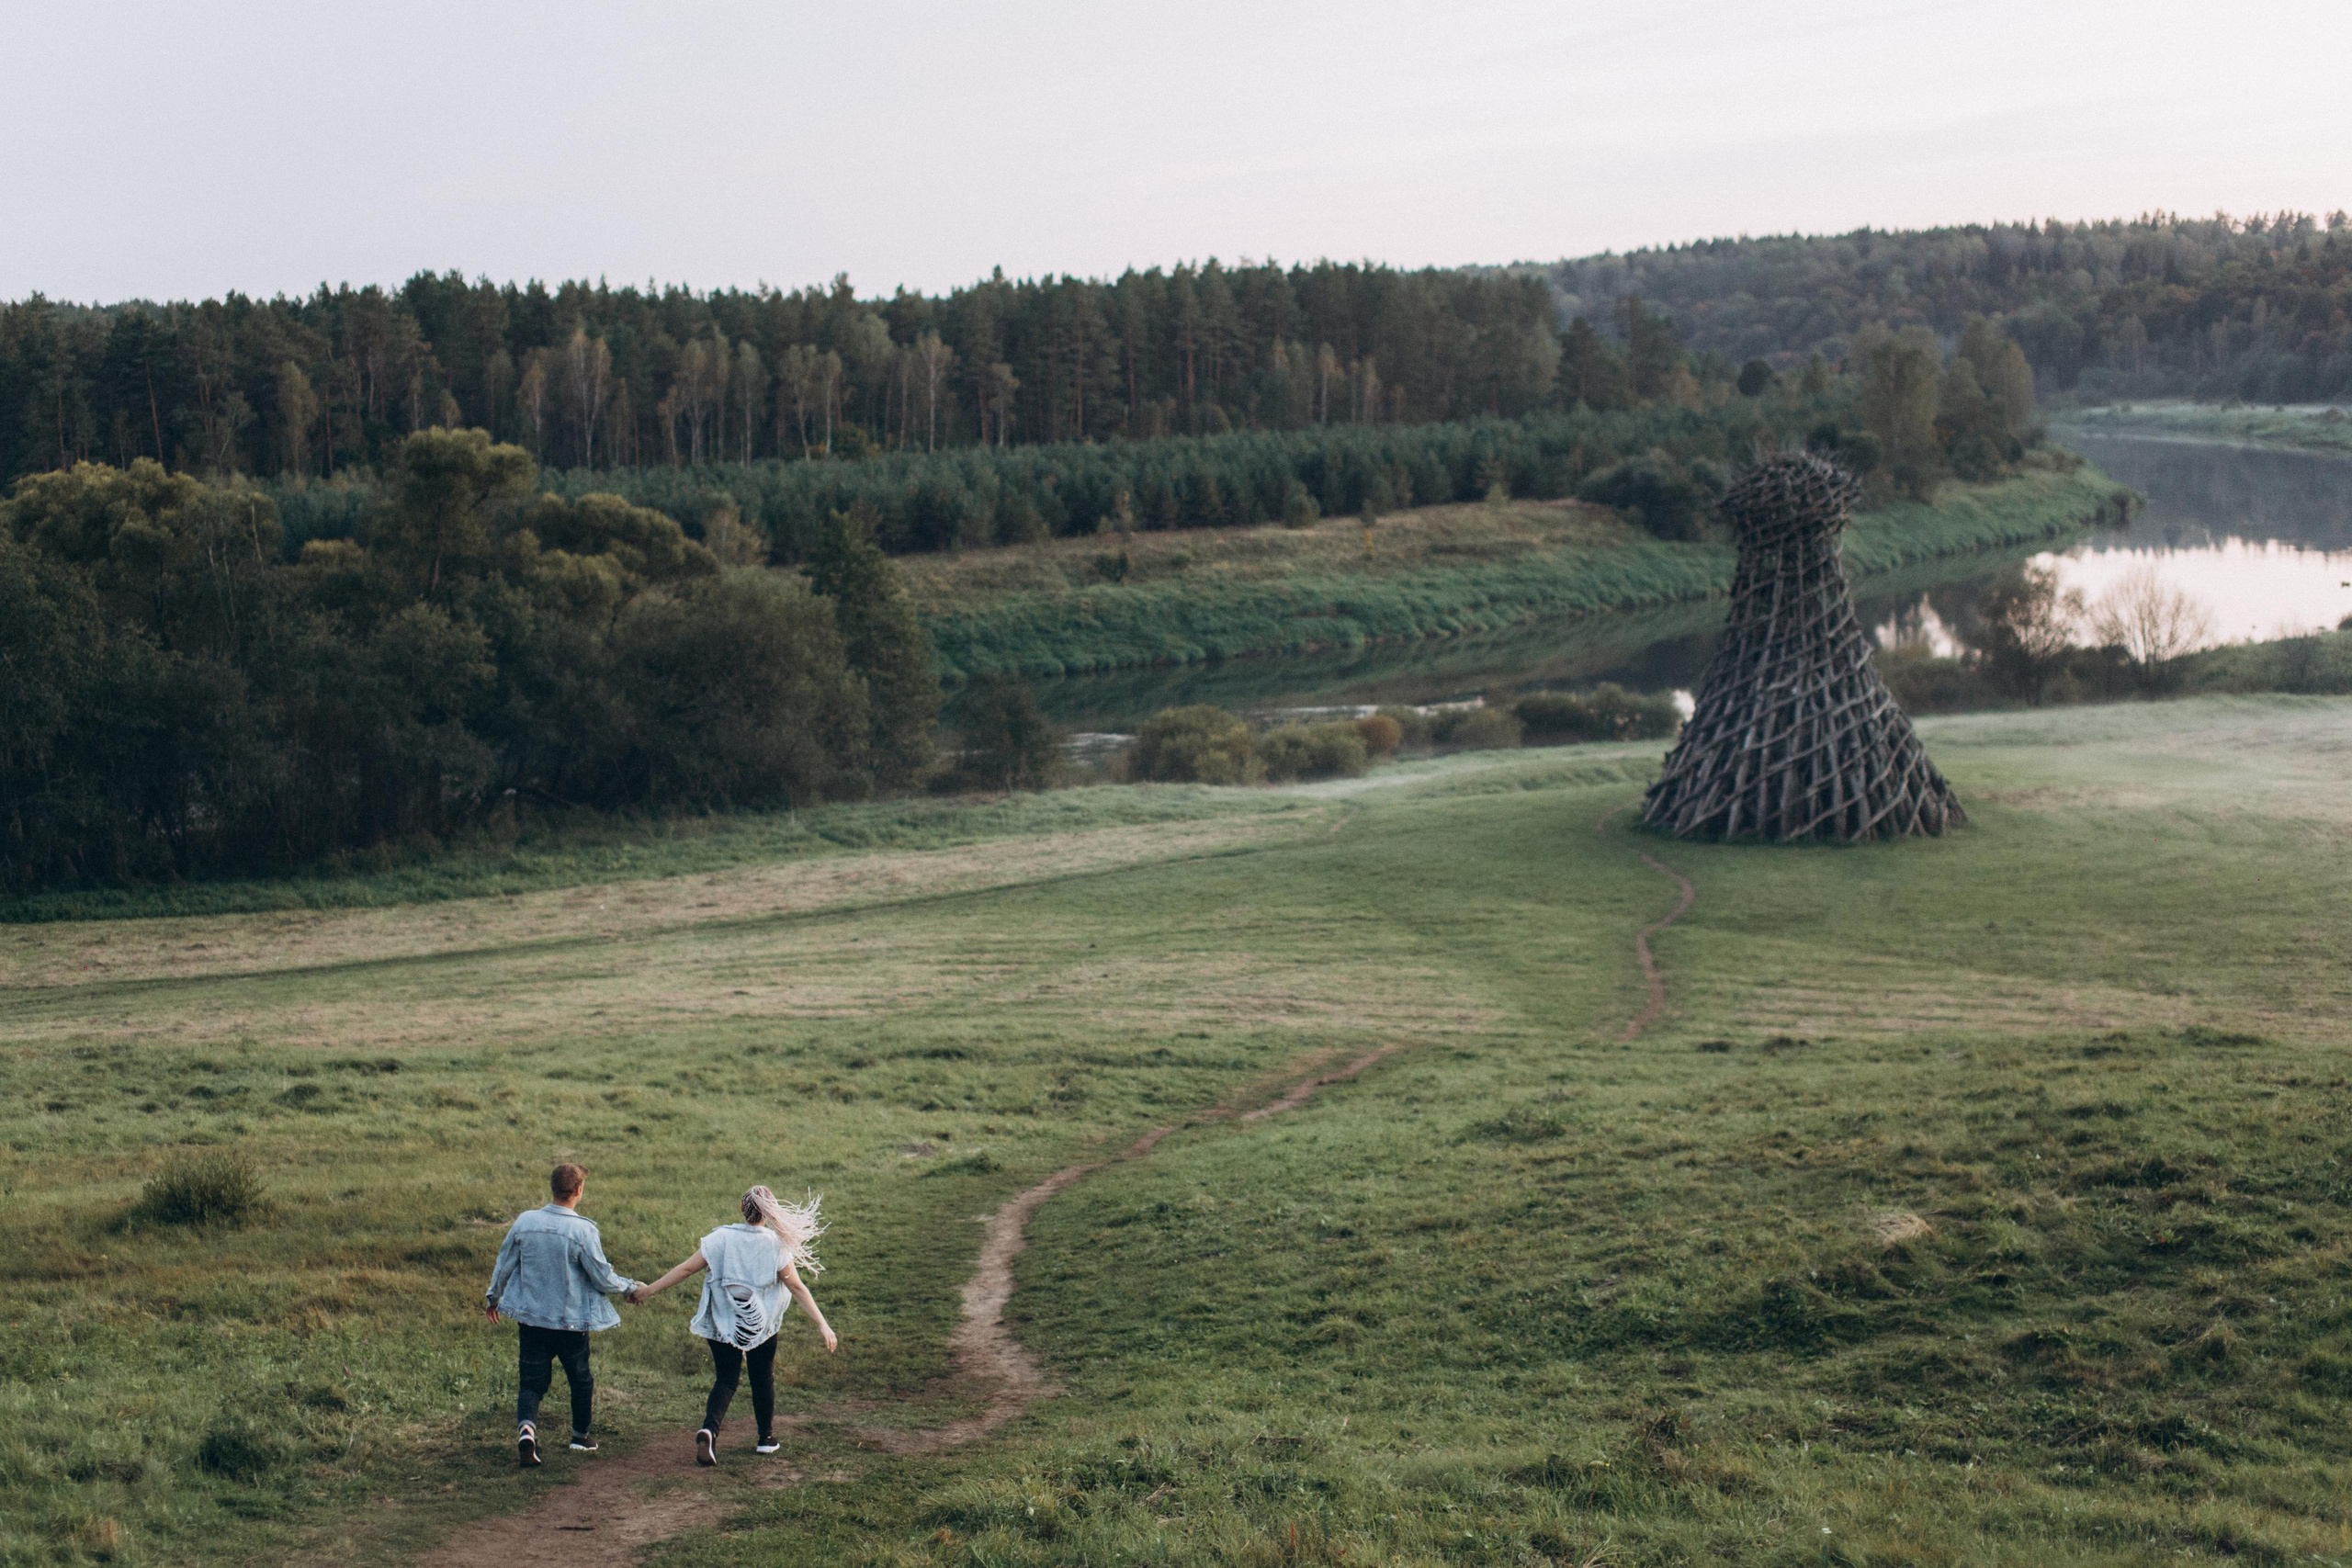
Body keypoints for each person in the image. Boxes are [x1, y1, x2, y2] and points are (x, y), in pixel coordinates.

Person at [632, 1185, 836, 1465]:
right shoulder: (776, 1245)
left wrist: (648, 1291)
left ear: (742, 1209)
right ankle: (765, 1439)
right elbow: (797, 1287)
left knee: (726, 1379)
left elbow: (686, 1269)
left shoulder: (720, 1238)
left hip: (722, 1322)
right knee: (762, 1378)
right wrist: (823, 1325)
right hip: (761, 1326)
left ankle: (709, 1430)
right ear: (770, 1212)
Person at [483, 1163, 641, 1468]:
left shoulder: (525, 1221)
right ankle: (580, 1436)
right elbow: (602, 1277)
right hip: (570, 1322)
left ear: (552, 1187)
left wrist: (493, 1298)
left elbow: (504, 1263)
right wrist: (630, 1288)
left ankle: (527, 1430)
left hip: (532, 1319)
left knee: (531, 1382)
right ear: (578, 1191)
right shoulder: (582, 1229)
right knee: (580, 1379)